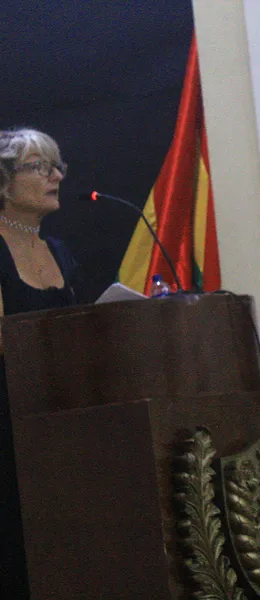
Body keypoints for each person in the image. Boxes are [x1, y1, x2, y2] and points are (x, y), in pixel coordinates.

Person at [0, 127, 81, 598]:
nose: (56, 176)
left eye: (57, 166)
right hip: (9, 422)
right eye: (39, 167)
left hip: (60, 419)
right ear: (4, 182)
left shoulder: (61, 252)